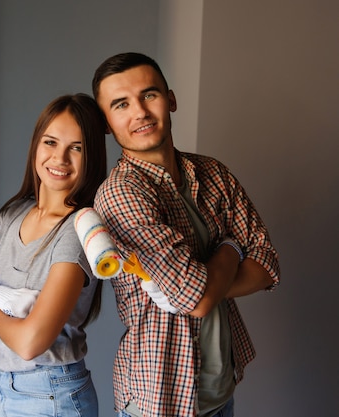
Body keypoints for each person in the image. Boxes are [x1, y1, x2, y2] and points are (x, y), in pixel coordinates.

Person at [90, 52, 281, 417]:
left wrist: (207, 283)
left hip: (220, 390)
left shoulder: (213, 173)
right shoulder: (120, 194)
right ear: (106, 122)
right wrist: (229, 248)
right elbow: (197, 301)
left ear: (170, 99)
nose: (140, 112)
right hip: (159, 398)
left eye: (149, 95)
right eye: (121, 104)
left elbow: (267, 262)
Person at [0, 93, 108, 416]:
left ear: (93, 158)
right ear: (35, 145)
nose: (60, 158)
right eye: (51, 142)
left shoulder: (77, 232)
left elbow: (31, 342)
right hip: (7, 389)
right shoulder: (14, 213)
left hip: (52, 397)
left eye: (77, 148)